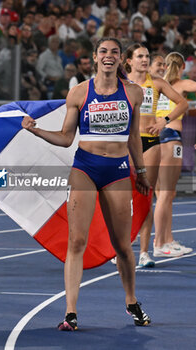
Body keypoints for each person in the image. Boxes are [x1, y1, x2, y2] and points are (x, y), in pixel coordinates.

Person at [22, 37, 152, 329]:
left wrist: (141, 172)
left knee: (122, 245)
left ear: (121, 59)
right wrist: (37, 131)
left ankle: (131, 301)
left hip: (117, 170)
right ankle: (70, 312)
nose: (108, 56)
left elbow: (133, 137)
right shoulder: (79, 93)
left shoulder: (133, 93)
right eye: (103, 51)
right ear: (94, 57)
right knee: (77, 240)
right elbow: (67, 138)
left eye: (114, 52)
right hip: (85, 168)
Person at [123, 43, 188, 268]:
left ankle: (143, 252)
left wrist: (165, 120)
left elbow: (183, 103)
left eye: (146, 56)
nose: (144, 59)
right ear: (129, 60)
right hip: (127, 143)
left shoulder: (157, 83)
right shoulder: (121, 83)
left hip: (150, 142)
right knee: (125, 198)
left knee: (146, 196)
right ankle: (120, 249)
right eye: (139, 56)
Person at [153, 52, 195, 256]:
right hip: (171, 137)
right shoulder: (181, 84)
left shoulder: (157, 85)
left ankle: (166, 239)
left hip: (156, 138)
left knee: (164, 193)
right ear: (180, 68)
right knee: (166, 194)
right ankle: (159, 242)